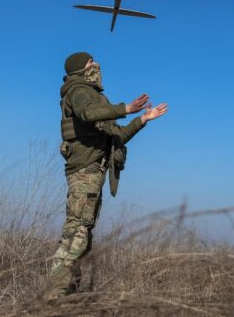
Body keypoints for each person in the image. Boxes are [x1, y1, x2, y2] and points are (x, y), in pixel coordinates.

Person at [44, 52, 168, 299]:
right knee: (77, 232)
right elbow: (87, 114)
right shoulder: (78, 91)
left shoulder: (97, 98)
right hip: (84, 169)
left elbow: (117, 136)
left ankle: (67, 293)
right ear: (79, 69)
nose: (96, 65)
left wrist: (142, 119)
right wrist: (126, 108)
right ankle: (54, 296)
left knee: (83, 233)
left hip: (95, 171)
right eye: (91, 62)